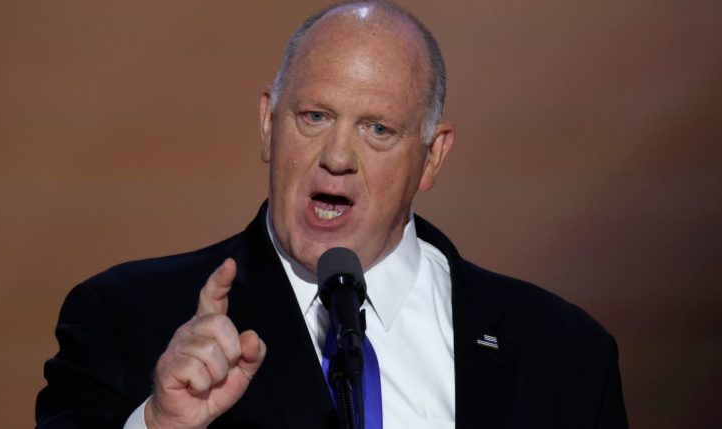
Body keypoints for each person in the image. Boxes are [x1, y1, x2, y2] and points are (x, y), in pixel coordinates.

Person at [36, 1, 628, 428]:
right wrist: (159, 426)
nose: (338, 158)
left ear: (432, 156)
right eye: (315, 117)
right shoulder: (127, 318)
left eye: (378, 129)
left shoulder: (565, 354)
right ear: (269, 125)